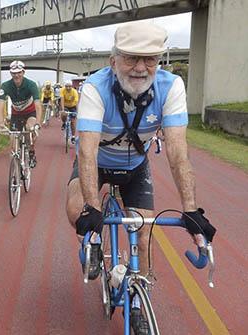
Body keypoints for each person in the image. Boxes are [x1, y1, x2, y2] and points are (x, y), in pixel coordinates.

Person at [65, 22, 216, 333]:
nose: (140, 68)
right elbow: (88, 153)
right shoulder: (95, 87)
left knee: (144, 234)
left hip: (135, 169)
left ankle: (138, 301)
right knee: (76, 211)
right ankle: (91, 243)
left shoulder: (171, 86)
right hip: (98, 164)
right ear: (113, 61)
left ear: (159, 62)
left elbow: (177, 150)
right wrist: (92, 209)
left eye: (150, 59)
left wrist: (191, 210)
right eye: (131, 58)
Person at [0, 60, 42, 167]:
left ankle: (31, 152)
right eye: (14, 73)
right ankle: (15, 172)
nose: (16, 75)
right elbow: (0, 104)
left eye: (19, 72)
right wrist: (1, 123)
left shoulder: (31, 85)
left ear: (23, 72)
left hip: (30, 113)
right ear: (11, 73)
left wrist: (38, 122)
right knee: (13, 142)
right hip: (16, 114)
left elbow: (38, 105)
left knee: (30, 129)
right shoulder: (5, 85)